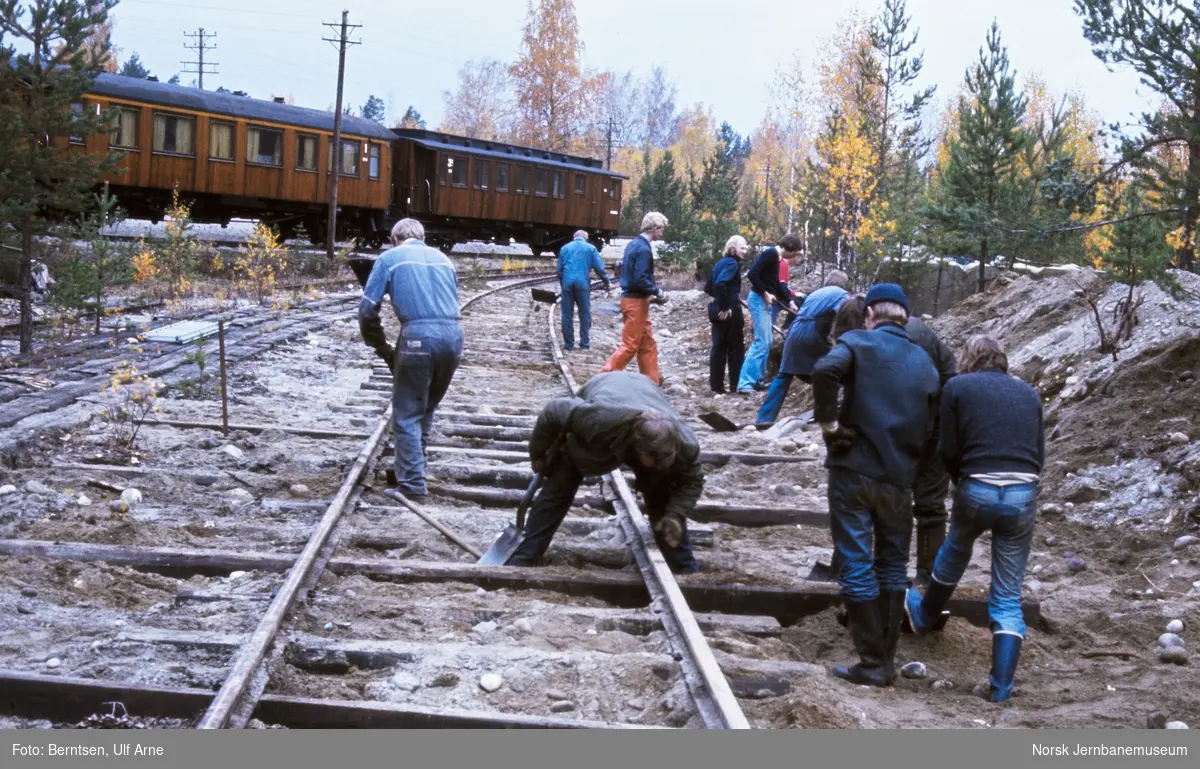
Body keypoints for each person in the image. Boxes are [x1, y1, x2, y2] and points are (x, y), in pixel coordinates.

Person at [811, 283, 939, 687]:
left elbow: (824, 370)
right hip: (898, 479)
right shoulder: (925, 362)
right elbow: (935, 422)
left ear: (870, 315)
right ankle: (885, 662)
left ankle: (870, 662)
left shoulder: (856, 342)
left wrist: (830, 424)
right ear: (906, 317)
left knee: (856, 559)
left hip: (853, 471)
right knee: (892, 563)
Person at [905, 335, 1044, 703]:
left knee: (957, 546)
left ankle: (924, 613)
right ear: (1002, 360)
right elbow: (1038, 454)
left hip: (977, 484)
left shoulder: (957, 387)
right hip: (1023, 490)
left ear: (969, 359)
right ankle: (1000, 689)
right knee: (1008, 596)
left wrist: (959, 479)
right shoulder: (1028, 393)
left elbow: (947, 448)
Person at [505, 371, 702, 574]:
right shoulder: (598, 419)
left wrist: (675, 514)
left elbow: (693, 482)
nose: (661, 465)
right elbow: (553, 410)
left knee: (661, 492)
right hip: (606, 387)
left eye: (666, 461)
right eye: (654, 461)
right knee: (560, 486)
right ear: (637, 448)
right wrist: (537, 455)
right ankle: (526, 554)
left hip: (645, 390)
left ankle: (683, 567)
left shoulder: (685, 445)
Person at [358, 218, 463, 498]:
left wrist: (380, 345)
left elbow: (368, 311)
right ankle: (413, 468)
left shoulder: (389, 258)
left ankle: (413, 485)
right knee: (425, 406)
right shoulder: (443, 259)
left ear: (395, 238)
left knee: (406, 413)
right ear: (422, 237)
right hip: (454, 336)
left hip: (418, 337)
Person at [754, 270, 850, 427]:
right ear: (842, 283)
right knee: (834, 373)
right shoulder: (841, 294)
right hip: (812, 334)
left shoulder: (816, 293)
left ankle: (764, 418)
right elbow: (843, 317)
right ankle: (827, 413)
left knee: (784, 376)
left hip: (794, 331)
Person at [904, 315, 958, 586]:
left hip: (933, 424)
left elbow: (920, 392)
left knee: (924, 503)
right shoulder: (892, 334)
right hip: (929, 422)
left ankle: (925, 579)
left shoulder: (909, 341)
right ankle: (923, 578)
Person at [600, 212, 668, 386]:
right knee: (631, 345)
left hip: (635, 300)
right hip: (635, 301)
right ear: (654, 228)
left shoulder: (633, 244)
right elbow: (641, 279)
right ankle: (602, 378)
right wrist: (658, 292)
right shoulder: (644, 249)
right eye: (661, 228)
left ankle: (651, 383)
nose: (662, 232)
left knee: (647, 343)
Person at [736, 234, 802, 393]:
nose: (794, 256)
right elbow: (752, 274)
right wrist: (765, 293)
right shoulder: (771, 254)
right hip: (759, 300)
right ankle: (744, 383)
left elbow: (777, 285)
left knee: (767, 341)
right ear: (790, 248)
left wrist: (790, 302)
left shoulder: (777, 258)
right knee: (761, 341)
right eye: (795, 252)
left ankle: (758, 380)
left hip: (763, 300)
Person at [704, 235, 748, 393]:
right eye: (742, 247)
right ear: (733, 248)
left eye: (746, 248)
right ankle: (736, 386)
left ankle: (716, 387)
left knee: (718, 348)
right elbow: (720, 283)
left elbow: (708, 287)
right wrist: (725, 306)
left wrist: (719, 302)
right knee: (736, 349)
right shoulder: (732, 263)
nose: (745, 251)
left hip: (718, 310)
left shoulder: (720, 263)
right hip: (730, 312)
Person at [557, 230, 612, 351]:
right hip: (583, 284)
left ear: (574, 237)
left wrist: (563, 285)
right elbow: (599, 268)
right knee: (584, 314)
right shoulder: (591, 248)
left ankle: (569, 345)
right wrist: (607, 282)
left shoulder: (564, 248)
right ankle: (584, 344)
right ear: (585, 238)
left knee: (567, 315)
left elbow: (559, 271)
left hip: (567, 283)